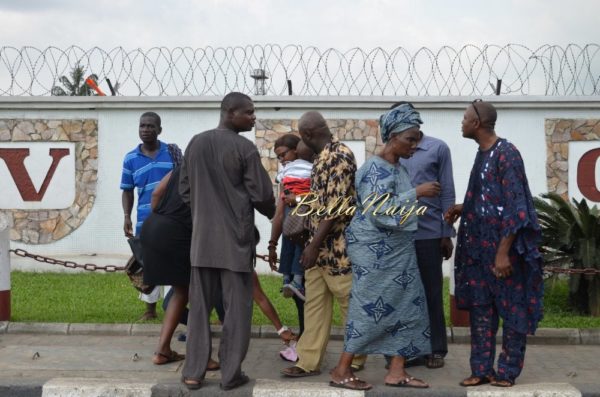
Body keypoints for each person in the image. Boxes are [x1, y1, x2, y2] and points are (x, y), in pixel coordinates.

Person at [328, 104, 441, 391]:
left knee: (409, 308)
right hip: (376, 255)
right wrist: (417, 193)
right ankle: (341, 370)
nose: (415, 146)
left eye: (418, 139)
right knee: (367, 311)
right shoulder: (373, 169)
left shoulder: (396, 167)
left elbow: (398, 208)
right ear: (392, 137)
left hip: (399, 251)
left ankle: (396, 371)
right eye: (410, 139)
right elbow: (379, 211)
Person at [179, 92, 276, 391]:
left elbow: (184, 190)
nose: (253, 117)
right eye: (248, 112)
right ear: (230, 112)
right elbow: (262, 196)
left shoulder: (195, 142)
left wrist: (204, 212)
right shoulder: (243, 148)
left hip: (202, 242)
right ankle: (230, 374)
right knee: (237, 311)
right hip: (236, 242)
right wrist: (279, 218)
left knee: (199, 309)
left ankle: (193, 373)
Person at [444, 100, 544, 388]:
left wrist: (503, 253)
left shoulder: (507, 154)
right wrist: (465, 207)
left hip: (502, 253)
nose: (461, 123)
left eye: (464, 118)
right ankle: (482, 369)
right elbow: (491, 198)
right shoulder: (483, 154)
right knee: (481, 311)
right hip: (477, 252)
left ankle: (507, 372)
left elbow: (517, 207)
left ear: (477, 123)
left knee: (511, 311)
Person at [281, 111, 366, 378]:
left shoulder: (339, 156)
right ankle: (307, 361)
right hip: (317, 246)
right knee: (314, 304)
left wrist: (314, 246)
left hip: (337, 248)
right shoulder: (321, 159)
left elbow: (336, 208)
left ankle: (356, 359)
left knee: (348, 304)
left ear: (307, 134)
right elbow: (321, 202)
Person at [396, 102, 456, 369]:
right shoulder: (394, 149)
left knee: (431, 292)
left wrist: (446, 233)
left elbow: (447, 192)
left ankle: (436, 349)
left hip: (429, 233)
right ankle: (407, 351)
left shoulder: (437, 148)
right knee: (403, 295)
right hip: (398, 235)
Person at [140, 167, 219, 370]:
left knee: (181, 292)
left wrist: (163, 218)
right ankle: (200, 356)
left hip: (153, 226)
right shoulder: (212, 174)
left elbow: (156, 193)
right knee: (198, 292)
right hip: (178, 233)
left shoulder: (181, 169)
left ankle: (162, 350)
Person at [120, 112, 182, 321]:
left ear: (159, 130)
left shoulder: (172, 153)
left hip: (173, 219)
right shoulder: (130, 158)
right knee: (149, 264)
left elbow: (184, 183)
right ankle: (150, 310)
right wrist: (127, 216)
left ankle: (175, 307)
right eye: (142, 126)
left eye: (150, 126)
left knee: (175, 263)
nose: (145, 129)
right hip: (145, 221)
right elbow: (127, 190)